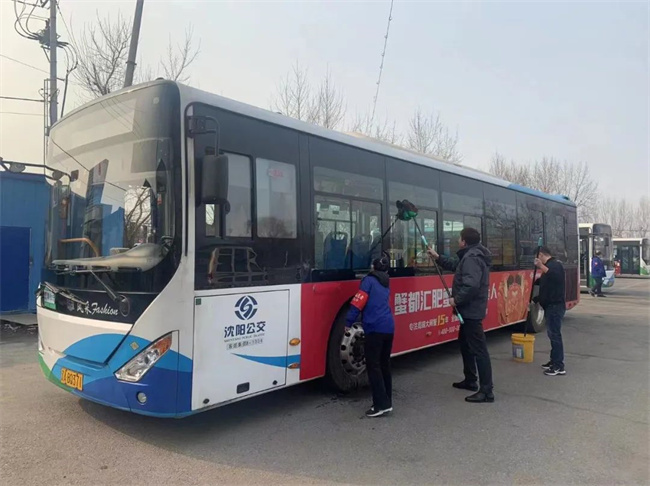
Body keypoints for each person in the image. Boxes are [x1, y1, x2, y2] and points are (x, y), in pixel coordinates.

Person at [427, 227, 494, 403]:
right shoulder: (470, 255)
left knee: (479, 350)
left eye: (459, 238)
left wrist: (456, 300)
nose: (457, 240)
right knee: (465, 344)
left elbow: (471, 286)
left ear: (464, 241)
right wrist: (438, 257)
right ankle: (470, 380)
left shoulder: (472, 258)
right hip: (469, 310)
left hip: (471, 311)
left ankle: (486, 391)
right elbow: (456, 266)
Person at [346, 254, 395, 417]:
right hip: (388, 327)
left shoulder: (368, 281)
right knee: (384, 365)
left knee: (373, 366)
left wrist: (348, 322)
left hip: (374, 328)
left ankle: (380, 405)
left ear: (373, 267)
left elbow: (358, 303)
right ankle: (387, 401)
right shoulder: (386, 281)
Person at [534, 246, 567, 376]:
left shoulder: (555, 265)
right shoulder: (549, 266)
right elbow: (546, 285)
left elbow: (555, 276)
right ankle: (554, 360)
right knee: (552, 335)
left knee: (555, 335)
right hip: (550, 306)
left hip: (555, 306)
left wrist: (541, 266)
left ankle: (559, 366)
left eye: (537, 257)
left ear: (541, 255)